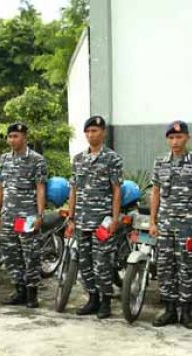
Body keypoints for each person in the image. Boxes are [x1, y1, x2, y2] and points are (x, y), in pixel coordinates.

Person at [149, 120, 192, 329]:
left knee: (186, 267)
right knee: (165, 267)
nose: (175, 141)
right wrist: (153, 221)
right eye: (172, 138)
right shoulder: (160, 163)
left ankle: (186, 312)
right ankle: (169, 310)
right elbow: (155, 192)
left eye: (179, 137)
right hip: (165, 224)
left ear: (187, 138)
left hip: (188, 226)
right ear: (168, 140)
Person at [67, 115, 123, 319]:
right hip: (82, 220)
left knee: (102, 262)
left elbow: (117, 190)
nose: (91, 135)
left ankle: (106, 301)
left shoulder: (112, 158)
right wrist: (71, 218)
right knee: (85, 262)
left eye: (95, 131)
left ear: (103, 133)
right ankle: (92, 298)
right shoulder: (79, 159)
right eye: (88, 132)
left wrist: (115, 219)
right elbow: (74, 189)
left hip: (102, 220)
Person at [0, 122, 48, 308]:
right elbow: (0, 187)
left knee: (30, 254)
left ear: (25, 138)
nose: (12, 140)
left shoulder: (36, 160)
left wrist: (40, 215)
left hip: (27, 215)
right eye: (10, 136)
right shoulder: (4, 159)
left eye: (16, 136)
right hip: (8, 215)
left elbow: (40, 188)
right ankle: (19, 291)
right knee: (11, 253)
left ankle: (32, 294)